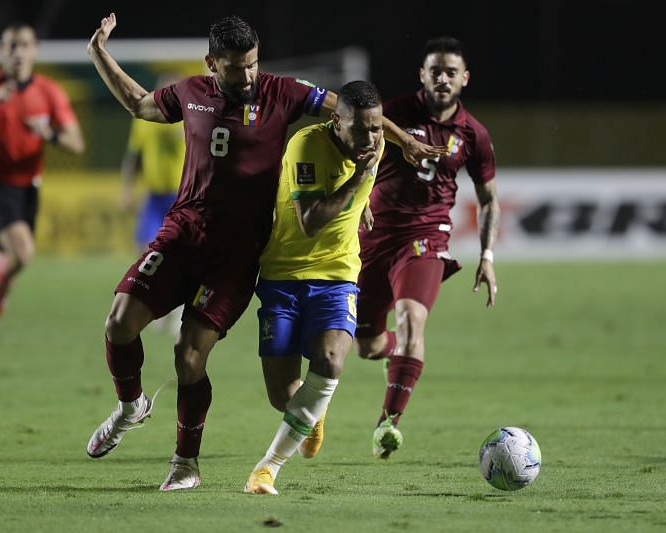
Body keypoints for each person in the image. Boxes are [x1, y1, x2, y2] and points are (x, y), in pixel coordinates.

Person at [84, 13, 441, 492]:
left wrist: (405, 142)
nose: (248, 76)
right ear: (212, 64)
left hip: (238, 254)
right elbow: (140, 104)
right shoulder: (190, 92)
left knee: (189, 355)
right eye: (236, 68)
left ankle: (185, 464)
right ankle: (131, 407)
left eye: (253, 64)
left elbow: (353, 112)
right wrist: (99, 54)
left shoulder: (281, 91)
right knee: (118, 322)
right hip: (184, 232)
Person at [355, 37, 499, 459]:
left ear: (464, 79)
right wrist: (358, 200)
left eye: (451, 72)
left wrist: (487, 257)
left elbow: (488, 199)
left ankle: (388, 425)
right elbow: (358, 156)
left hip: (426, 238)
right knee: (366, 344)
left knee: (413, 321)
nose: (442, 78)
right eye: (435, 70)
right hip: (374, 238)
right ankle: (394, 348)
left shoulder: (474, 135)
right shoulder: (393, 114)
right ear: (422, 74)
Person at [244, 80, 384, 496]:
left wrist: (367, 201)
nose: (370, 138)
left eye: (376, 129)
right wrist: (359, 180)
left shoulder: (375, 146)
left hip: (338, 275)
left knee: (329, 361)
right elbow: (310, 222)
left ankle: (266, 469)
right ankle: (312, 414)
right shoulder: (306, 146)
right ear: (335, 124)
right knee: (282, 394)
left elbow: (364, 177)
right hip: (283, 274)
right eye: (360, 129)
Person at [0, 23, 85, 340]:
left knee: (9, 260)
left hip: (29, 187)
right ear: (1, 52)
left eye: (24, 45)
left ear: (35, 51)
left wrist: (49, 134)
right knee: (23, 253)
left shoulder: (48, 91)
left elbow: (76, 143)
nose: (17, 53)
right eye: (11, 46)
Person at [120, 74, 185, 333]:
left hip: (180, 197)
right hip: (154, 196)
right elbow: (133, 156)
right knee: (144, 252)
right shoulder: (145, 120)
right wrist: (126, 189)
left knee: (178, 257)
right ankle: (157, 308)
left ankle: (179, 312)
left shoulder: (188, 119)